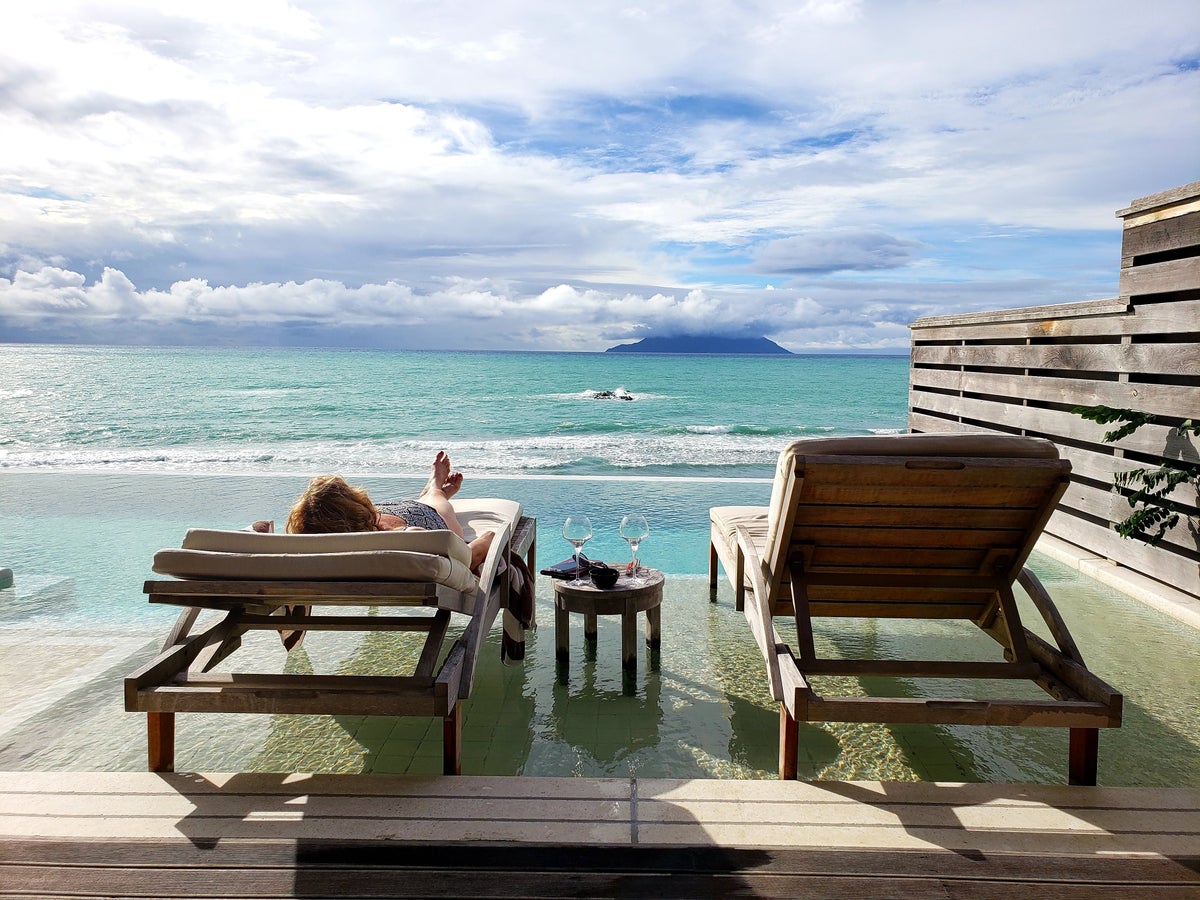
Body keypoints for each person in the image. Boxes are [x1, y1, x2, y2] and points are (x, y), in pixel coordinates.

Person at [286, 451, 495, 571]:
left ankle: (430, 490)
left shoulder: (307, 549)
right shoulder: (411, 539)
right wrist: (491, 537)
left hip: (381, 516)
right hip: (426, 516)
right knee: (436, 501)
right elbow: (467, 556)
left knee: (385, 511)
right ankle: (434, 487)